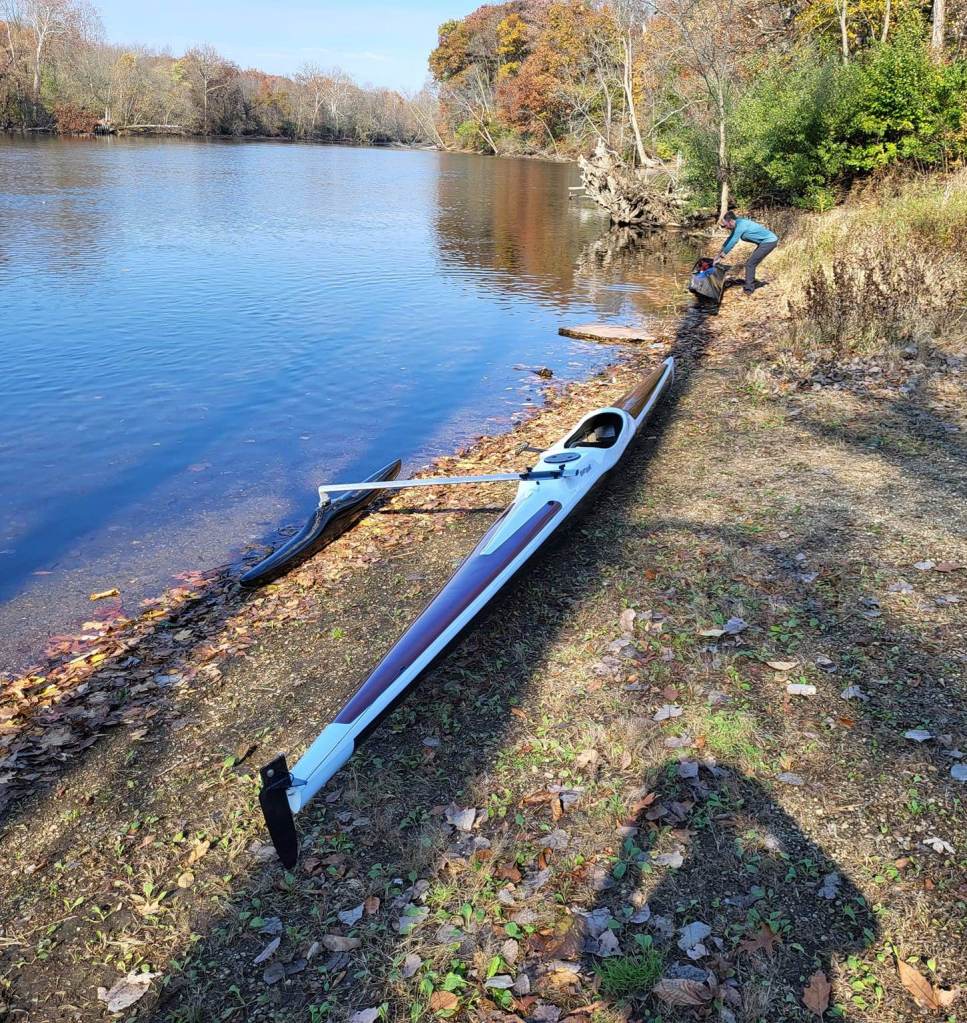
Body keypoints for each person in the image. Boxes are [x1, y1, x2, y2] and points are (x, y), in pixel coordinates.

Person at [713, 210, 778, 295]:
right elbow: (729, 239)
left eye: (726, 225)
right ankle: (751, 283)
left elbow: (733, 241)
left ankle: (748, 289)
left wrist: (721, 258)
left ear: (731, 221)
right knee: (751, 263)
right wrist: (718, 255)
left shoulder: (741, 225)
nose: (726, 228)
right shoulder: (737, 224)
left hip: (769, 242)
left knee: (750, 264)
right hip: (765, 242)